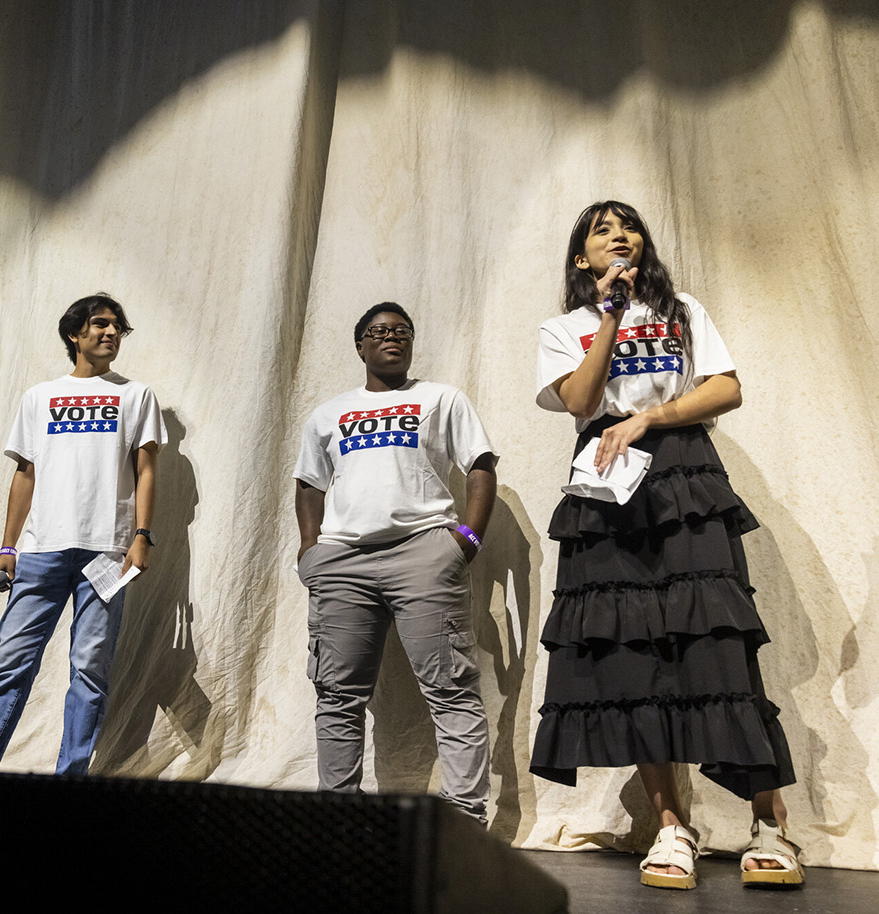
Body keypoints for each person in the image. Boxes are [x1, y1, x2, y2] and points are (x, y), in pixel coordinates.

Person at [530, 201, 802, 889]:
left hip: (685, 474)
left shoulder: (682, 311)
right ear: (582, 259)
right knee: (634, 654)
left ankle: (769, 822)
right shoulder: (564, 328)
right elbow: (580, 401)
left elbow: (726, 388)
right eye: (602, 230)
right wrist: (610, 316)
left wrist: (650, 417)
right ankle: (671, 826)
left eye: (628, 226)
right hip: (607, 481)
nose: (619, 235)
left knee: (717, 645)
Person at [293, 302, 498, 823]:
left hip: (424, 552)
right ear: (360, 345)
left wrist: (467, 538)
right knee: (337, 695)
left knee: (451, 688)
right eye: (379, 331)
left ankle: (463, 822)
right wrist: (310, 548)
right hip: (342, 561)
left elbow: (480, 464)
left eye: (402, 331)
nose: (392, 338)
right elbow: (309, 484)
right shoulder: (328, 413)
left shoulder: (441, 399)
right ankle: (337, 820)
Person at [0, 293, 166, 775]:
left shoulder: (136, 395)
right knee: (10, 667)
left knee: (90, 671)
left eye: (117, 326)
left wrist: (142, 536)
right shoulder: (39, 396)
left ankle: (70, 777)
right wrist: (7, 547)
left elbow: (146, 470)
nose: (110, 333)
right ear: (74, 333)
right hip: (40, 550)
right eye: (100, 324)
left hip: (107, 552)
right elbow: (25, 474)